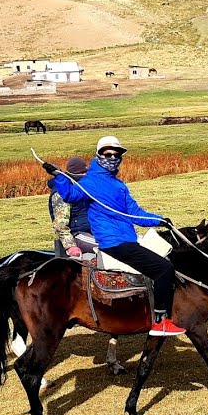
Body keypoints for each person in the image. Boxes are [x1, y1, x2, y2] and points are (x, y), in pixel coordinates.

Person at [42, 135, 186, 337]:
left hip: (127, 240)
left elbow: (135, 213)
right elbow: (70, 195)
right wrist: (58, 176)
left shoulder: (119, 186)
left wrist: (159, 220)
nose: (112, 157)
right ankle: (161, 321)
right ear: (98, 155)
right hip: (113, 243)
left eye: (116, 154)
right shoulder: (89, 183)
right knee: (164, 269)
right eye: (107, 153)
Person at [49, 156, 95, 257]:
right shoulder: (61, 193)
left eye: (85, 173)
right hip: (77, 235)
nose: (84, 175)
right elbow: (60, 225)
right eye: (81, 174)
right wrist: (70, 246)